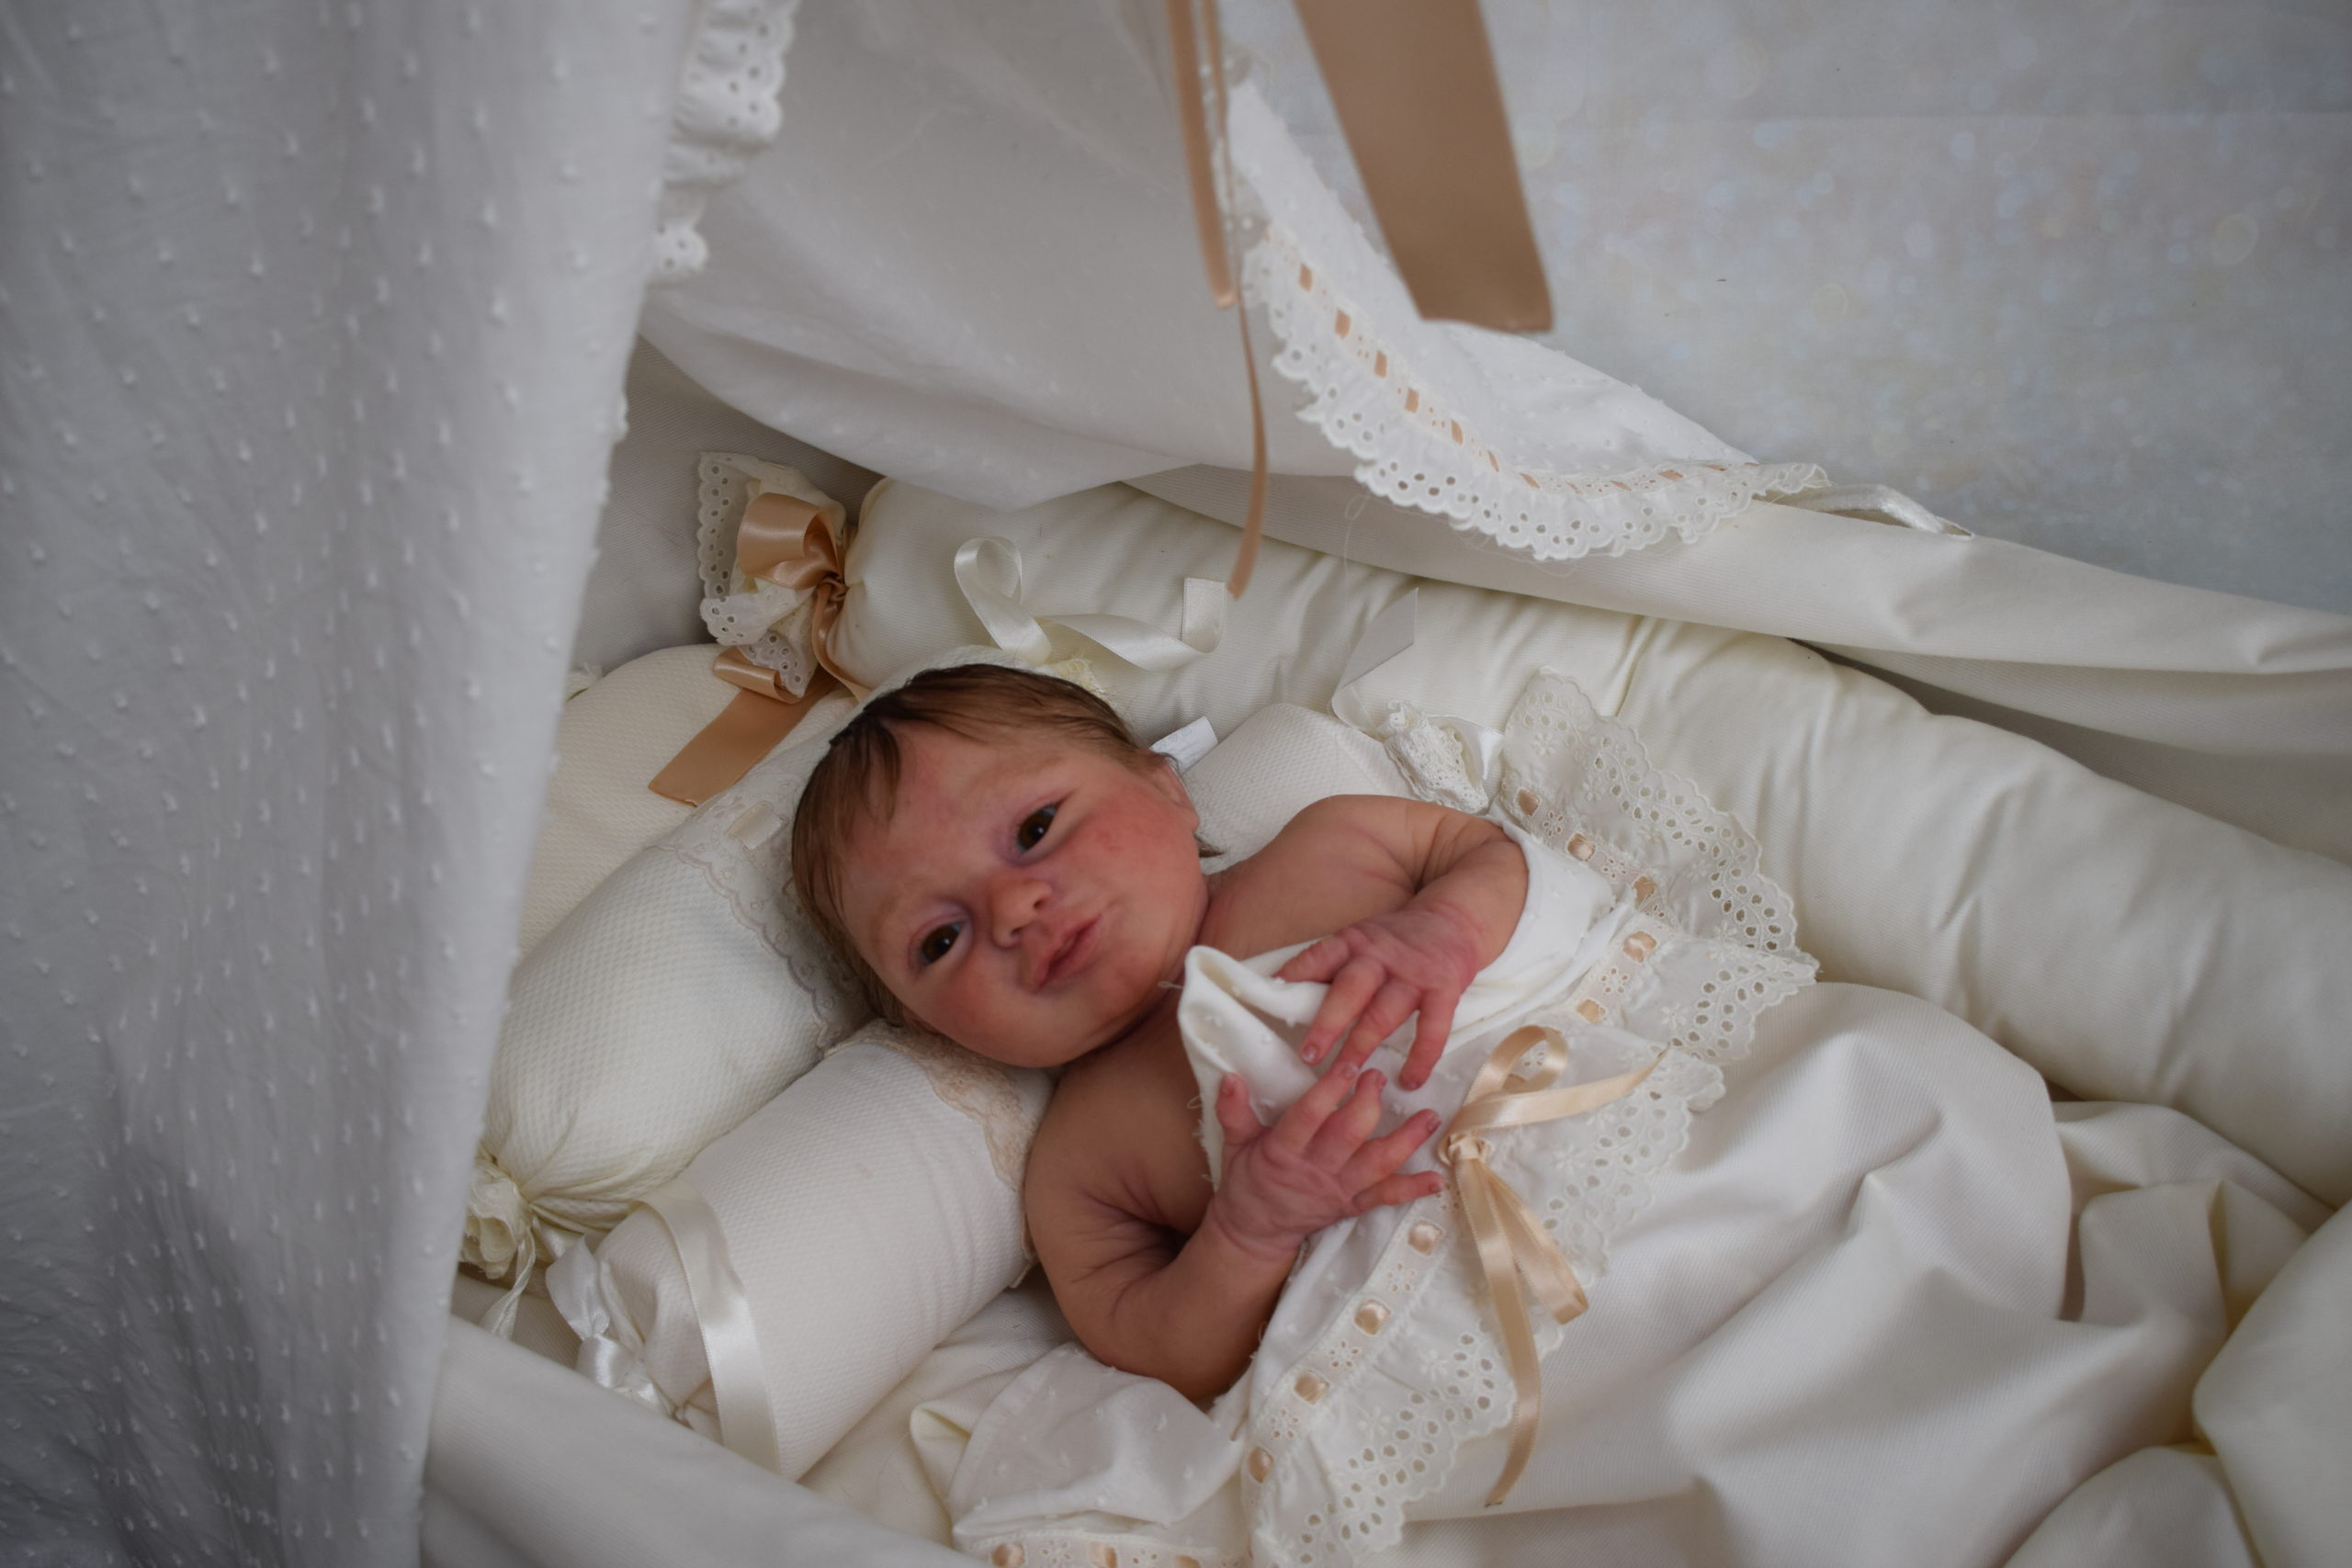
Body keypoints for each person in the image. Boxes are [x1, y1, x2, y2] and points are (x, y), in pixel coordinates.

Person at [791, 661, 1532, 1402]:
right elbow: (1159, 1346)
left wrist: (1449, 925)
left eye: (1035, 829)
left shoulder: (1337, 841)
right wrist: (1249, 1234)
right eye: (940, 939)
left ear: (1166, 786)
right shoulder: (1082, 1166)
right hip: (1469, 1341)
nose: (1013, 908)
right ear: (927, 1023)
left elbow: (1494, 852)